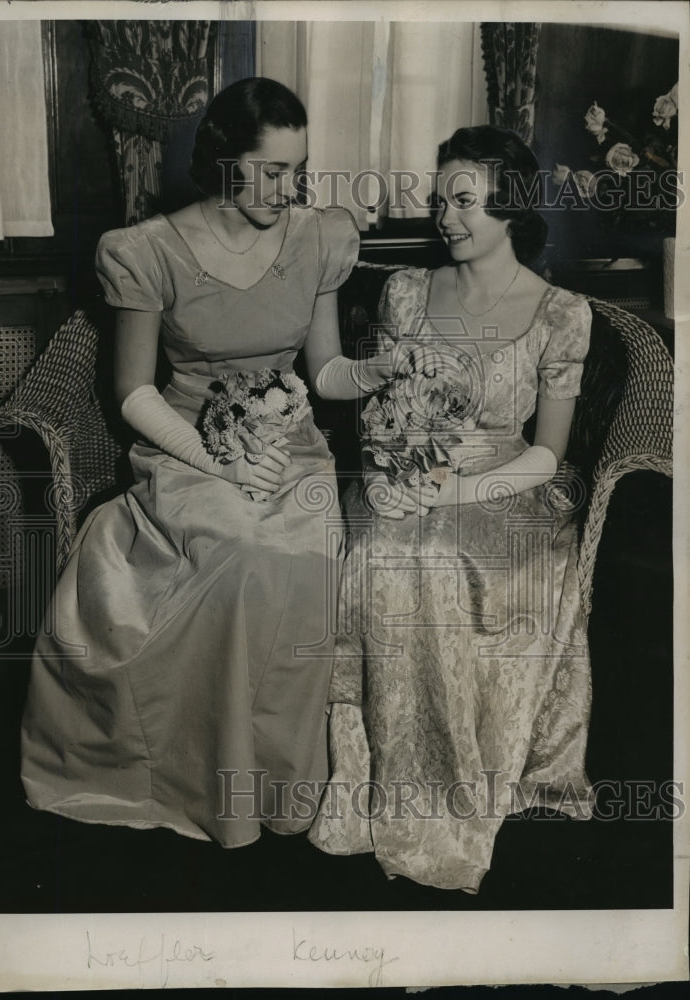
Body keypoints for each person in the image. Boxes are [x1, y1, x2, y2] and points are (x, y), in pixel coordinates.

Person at [20, 78, 403, 848]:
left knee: (297, 560)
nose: (285, 189)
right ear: (221, 163)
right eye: (266, 172)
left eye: (296, 171)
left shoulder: (318, 237)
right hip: (187, 448)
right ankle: (206, 782)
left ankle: (280, 789)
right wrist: (219, 466)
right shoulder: (147, 250)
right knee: (238, 549)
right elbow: (131, 391)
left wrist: (371, 372)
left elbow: (323, 369)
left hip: (292, 449)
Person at [308, 125, 594, 893]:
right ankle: (378, 787)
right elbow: (379, 406)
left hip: (508, 488)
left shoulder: (562, 312)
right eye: (440, 201)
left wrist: (458, 490)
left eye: (463, 201)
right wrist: (381, 473)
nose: (444, 216)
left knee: (433, 556)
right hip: (405, 474)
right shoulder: (406, 291)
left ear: (510, 208)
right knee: (376, 548)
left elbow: (548, 454)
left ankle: (447, 800)